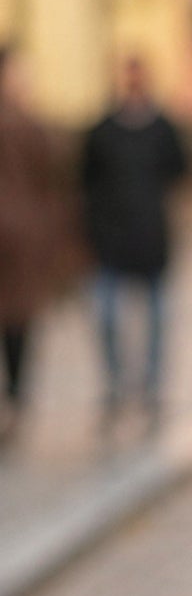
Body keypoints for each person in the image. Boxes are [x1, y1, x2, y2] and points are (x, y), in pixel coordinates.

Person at [80, 56, 190, 426]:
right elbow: (85, 181)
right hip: (109, 243)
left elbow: (181, 174)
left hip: (152, 240)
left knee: (158, 320)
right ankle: (115, 386)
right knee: (106, 316)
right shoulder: (101, 131)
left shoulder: (163, 129)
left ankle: (152, 389)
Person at [0, 46, 75, 446]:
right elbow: (54, 187)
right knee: (18, 328)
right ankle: (14, 401)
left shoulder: (31, 126)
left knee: (18, 327)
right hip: (20, 247)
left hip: (21, 250)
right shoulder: (30, 127)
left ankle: (14, 402)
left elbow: (51, 188)